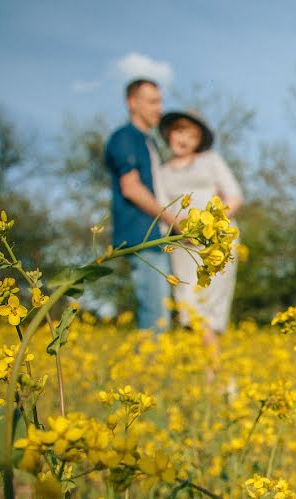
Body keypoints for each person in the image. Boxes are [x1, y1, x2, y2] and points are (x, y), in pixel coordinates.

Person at [157, 109, 244, 352]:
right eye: (180, 131)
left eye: (192, 136)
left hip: (217, 240)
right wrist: (182, 226)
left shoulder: (211, 161)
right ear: (169, 133)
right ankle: (214, 371)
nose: (184, 140)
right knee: (188, 304)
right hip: (184, 243)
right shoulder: (161, 172)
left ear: (200, 141)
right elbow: (162, 208)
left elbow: (235, 196)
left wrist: (211, 224)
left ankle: (213, 372)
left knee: (212, 304)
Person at [104, 79, 178, 331]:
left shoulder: (151, 142)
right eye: (152, 102)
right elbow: (131, 187)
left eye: (160, 101)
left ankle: (151, 368)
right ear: (131, 103)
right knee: (156, 314)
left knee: (160, 312)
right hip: (141, 236)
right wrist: (175, 221)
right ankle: (150, 370)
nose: (159, 108)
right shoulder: (125, 137)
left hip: (155, 237)